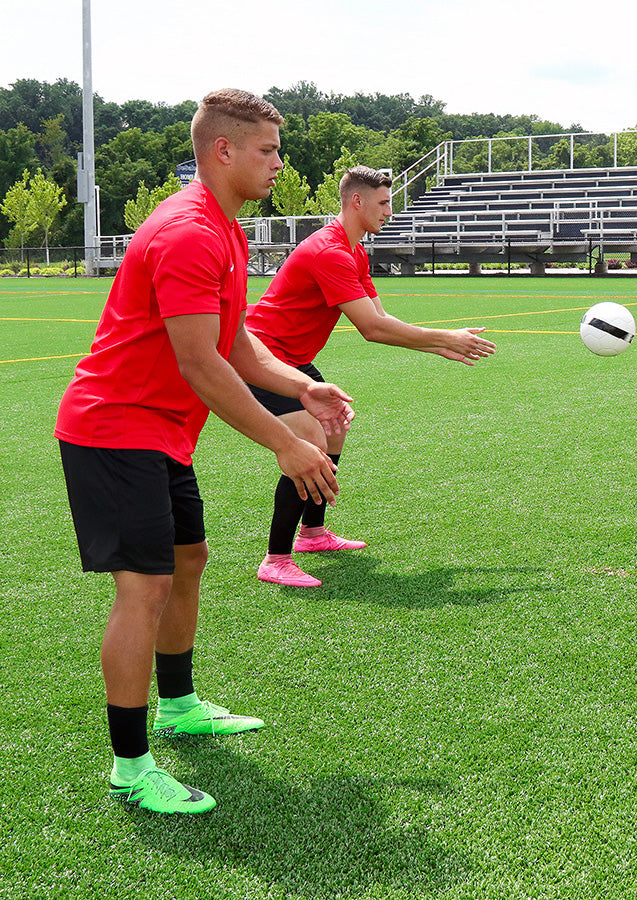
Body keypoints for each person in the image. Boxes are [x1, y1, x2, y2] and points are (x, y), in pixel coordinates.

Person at [55, 89, 356, 815]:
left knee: (188, 561)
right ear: (223, 151)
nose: (279, 164)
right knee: (144, 587)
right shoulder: (188, 231)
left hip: (159, 433)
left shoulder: (228, 229)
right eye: (268, 151)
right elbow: (202, 364)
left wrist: (301, 388)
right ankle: (131, 766)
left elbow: (237, 340)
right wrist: (286, 442)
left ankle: (179, 704)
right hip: (113, 428)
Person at [245, 165, 497, 587]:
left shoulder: (355, 250)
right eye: (383, 203)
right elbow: (372, 329)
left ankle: (312, 534)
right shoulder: (330, 252)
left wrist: (440, 344)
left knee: (335, 426)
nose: (389, 211)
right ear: (356, 201)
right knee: (310, 438)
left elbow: (381, 318)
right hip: (262, 357)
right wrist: (443, 338)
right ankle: (275, 558)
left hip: (295, 357)